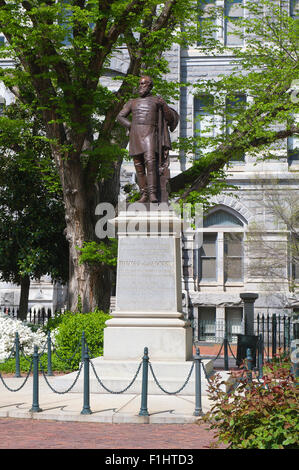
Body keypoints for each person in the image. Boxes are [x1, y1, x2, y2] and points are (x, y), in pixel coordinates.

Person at [117, 76, 179, 203]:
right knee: (138, 166)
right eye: (140, 84)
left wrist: (164, 105)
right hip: (135, 135)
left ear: (150, 86)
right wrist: (131, 126)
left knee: (150, 162)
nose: (141, 86)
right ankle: (144, 194)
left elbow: (169, 119)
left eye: (143, 84)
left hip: (150, 134)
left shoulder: (157, 101)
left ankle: (152, 194)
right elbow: (120, 117)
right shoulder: (132, 102)